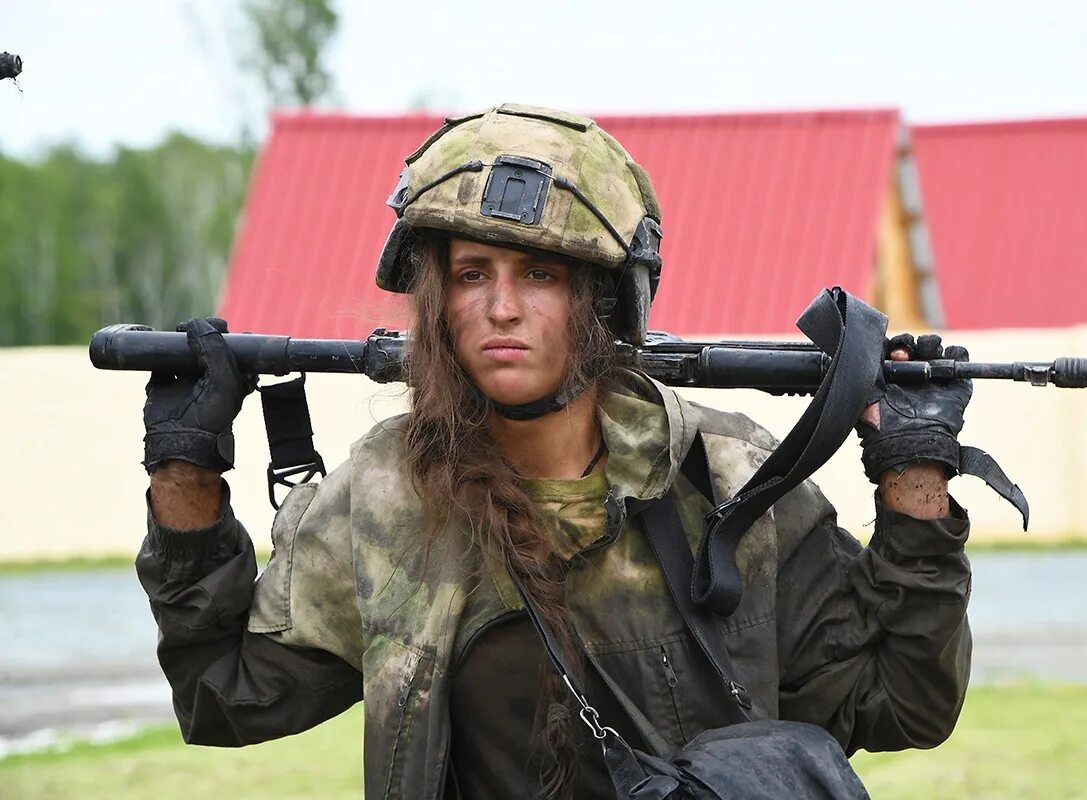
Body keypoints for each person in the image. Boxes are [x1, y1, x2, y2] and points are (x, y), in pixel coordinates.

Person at [136, 104, 974, 800]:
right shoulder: (386, 496)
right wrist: (186, 469)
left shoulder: (728, 481)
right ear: (437, 300)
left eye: (540, 274)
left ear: (604, 298)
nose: (501, 306)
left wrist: (915, 477)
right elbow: (225, 697)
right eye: (471, 274)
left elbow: (904, 704)